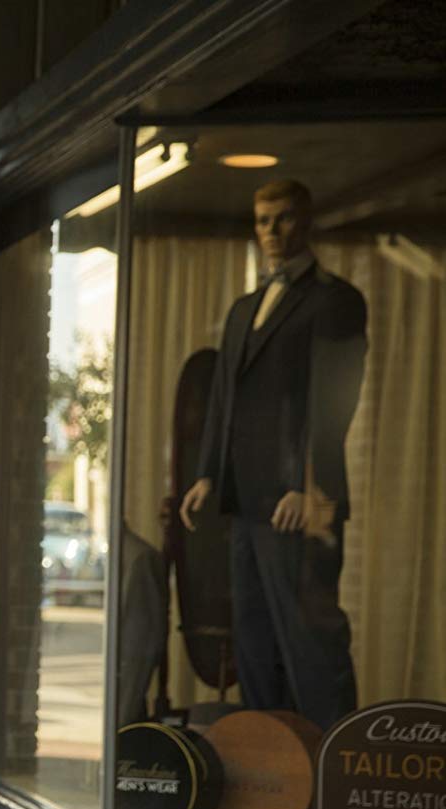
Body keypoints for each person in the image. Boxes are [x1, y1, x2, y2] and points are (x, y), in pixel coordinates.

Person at [179, 179, 368, 731]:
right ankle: (272, 776)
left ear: (306, 221)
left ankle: (337, 770)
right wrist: (208, 474)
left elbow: (336, 400)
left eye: (283, 219)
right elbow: (224, 399)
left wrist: (310, 485)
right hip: (246, 502)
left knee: (312, 644)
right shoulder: (244, 309)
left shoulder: (336, 301)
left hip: (300, 506)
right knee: (255, 644)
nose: (272, 232)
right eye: (263, 220)